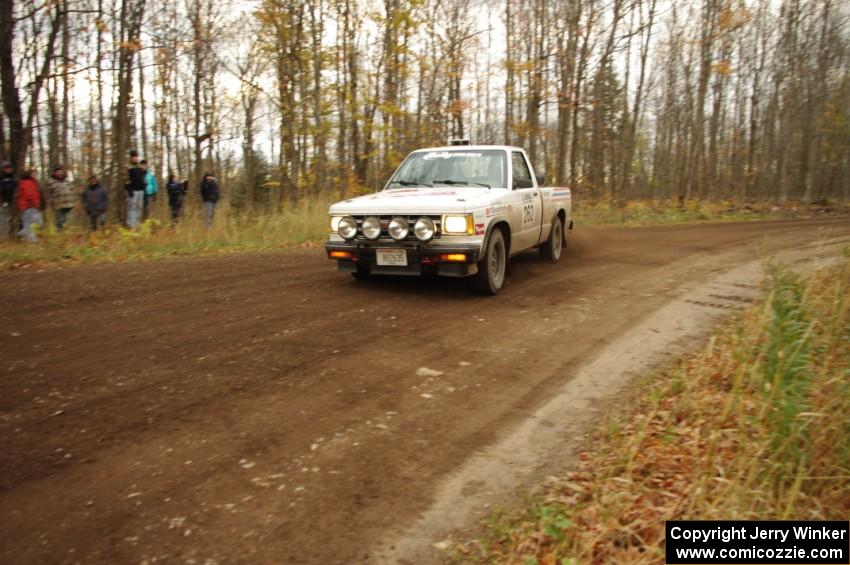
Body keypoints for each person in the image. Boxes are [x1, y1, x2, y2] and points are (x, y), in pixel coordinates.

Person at [16, 167, 43, 242]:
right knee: (33, 224)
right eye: (33, 173)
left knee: (35, 223)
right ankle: (32, 240)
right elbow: (30, 194)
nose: (35, 174)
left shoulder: (33, 182)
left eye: (36, 173)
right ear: (29, 174)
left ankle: (23, 233)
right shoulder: (28, 182)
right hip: (29, 206)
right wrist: (35, 203)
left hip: (31, 206)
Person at [46, 165, 76, 230]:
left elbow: (72, 189)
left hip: (69, 204)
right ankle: (59, 231)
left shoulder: (67, 180)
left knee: (66, 220)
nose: (60, 173)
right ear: (54, 173)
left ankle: (63, 231)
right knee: (60, 220)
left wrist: (73, 199)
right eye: (58, 172)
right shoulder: (51, 181)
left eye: (61, 172)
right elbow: (49, 193)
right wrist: (51, 203)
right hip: (58, 204)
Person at [125, 150, 146, 227]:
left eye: (136, 156)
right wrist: (129, 189)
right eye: (134, 157)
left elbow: (142, 177)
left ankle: (137, 224)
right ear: (131, 157)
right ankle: (131, 225)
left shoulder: (140, 167)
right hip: (133, 191)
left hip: (140, 190)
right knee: (132, 208)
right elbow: (126, 179)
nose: (135, 158)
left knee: (139, 207)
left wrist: (144, 185)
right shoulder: (128, 167)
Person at [0, 161, 16, 240]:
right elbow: (4, 188)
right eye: (6, 168)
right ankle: (3, 237)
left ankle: (11, 235)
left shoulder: (13, 176)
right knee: (3, 219)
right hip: (3, 201)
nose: (8, 169)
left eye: (9, 167)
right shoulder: (2, 177)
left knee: (11, 218)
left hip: (12, 202)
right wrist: (12, 184)